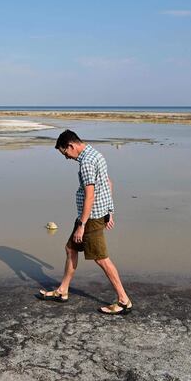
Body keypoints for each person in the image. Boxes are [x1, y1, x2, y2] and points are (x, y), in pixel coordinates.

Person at [36, 129, 132, 315]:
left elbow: (90, 195)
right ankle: (62, 291)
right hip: (93, 214)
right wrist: (110, 211)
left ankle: (123, 300)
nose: (66, 157)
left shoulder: (86, 162)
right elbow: (108, 183)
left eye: (65, 153)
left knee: (101, 259)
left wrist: (82, 225)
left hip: (91, 217)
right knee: (71, 249)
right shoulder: (96, 153)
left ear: (71, 146)